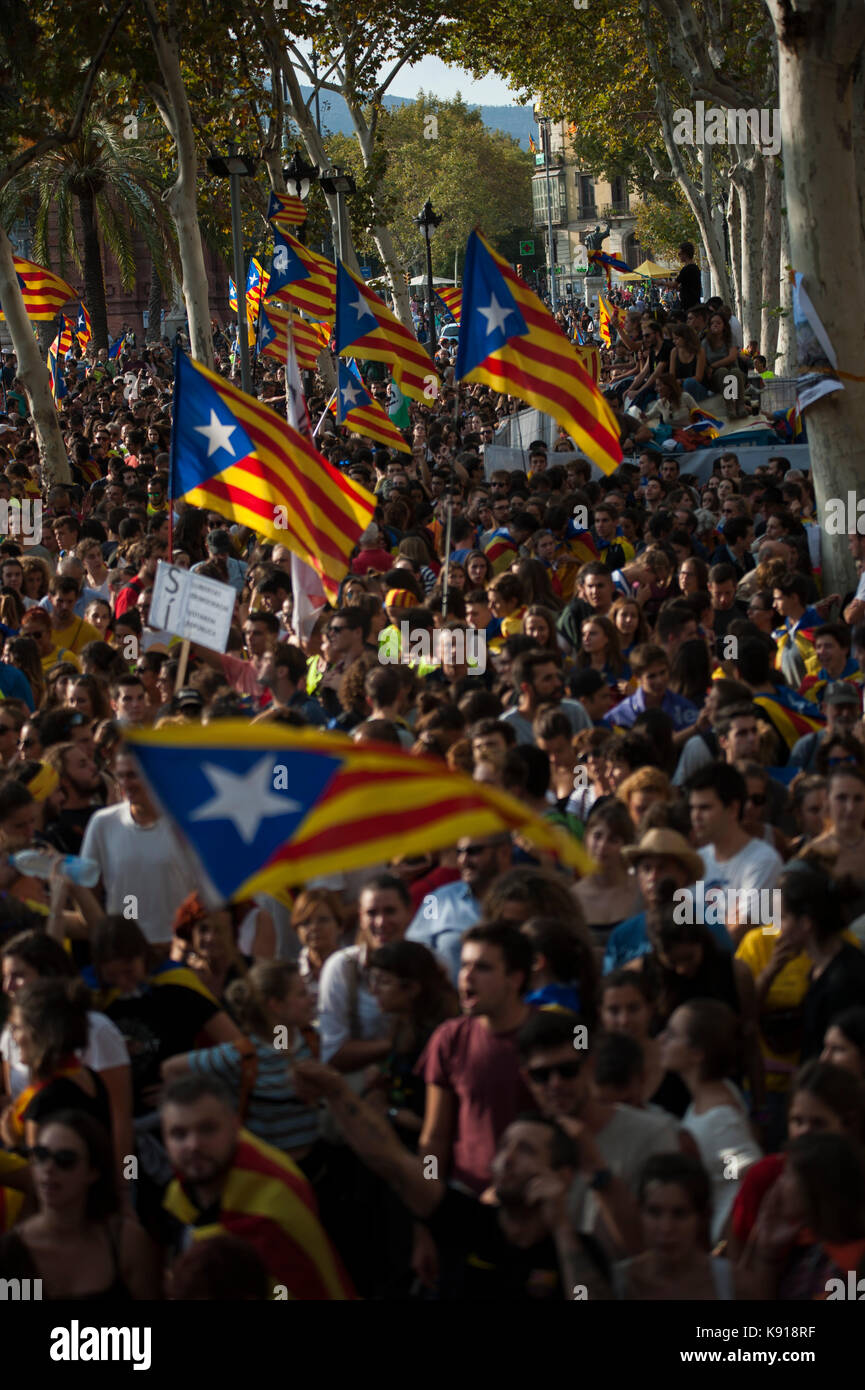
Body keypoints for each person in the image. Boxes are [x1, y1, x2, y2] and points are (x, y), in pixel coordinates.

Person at [159, 1074, 355, 1299]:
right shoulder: (181, 1188)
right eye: (179, 1134)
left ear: (235, 1126)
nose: (193, 1145)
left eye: (207, 1129)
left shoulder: (273, 1204)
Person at [417, 922, 538, 1197]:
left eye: (482, 967)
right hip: (468, 1196)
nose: (467, 977)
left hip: (534, 1197)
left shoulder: (551, 1033)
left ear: (515, 979)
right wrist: (425, 1204)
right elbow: (434, 1138)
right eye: (464, 965)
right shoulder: (448, 1038)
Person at [161, 961, 321, 1160]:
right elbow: (171, 1069)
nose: (311, 999)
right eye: (301, 994)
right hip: (267, 1175)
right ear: (276, 1006)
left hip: (318, 1167)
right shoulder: (241, 1056)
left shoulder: (314, 1043)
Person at [0, 1111, 160, 1299]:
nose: (49, 1168)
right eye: (41, 1155)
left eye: (65, 1160)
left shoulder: (127, 1243)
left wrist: (126, 1188)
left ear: (93, 1171)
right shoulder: (11, 1252)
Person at [659, 998, 762, 1243]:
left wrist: (728, 1240)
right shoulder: (714, 1094)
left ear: (696, 1053)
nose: (662, 1039)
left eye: (672, 1035)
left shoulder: (719, 1119)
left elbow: (749, 1172)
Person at [81, 750, 202, 947]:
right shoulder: (102, 823)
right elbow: (89, 888)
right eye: (121, 776)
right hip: (124, 949)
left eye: (133, 775)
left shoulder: (188, 823)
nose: (126, 783)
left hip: (178, 947)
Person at [613, 1153, 743, 1299]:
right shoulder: (617, 1284)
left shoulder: (735, 1285)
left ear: (703, 1217)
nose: (666, 1228)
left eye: (680, 1214)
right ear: (639, 1212)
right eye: (654, 1213)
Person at [318, 874, 413, 1073]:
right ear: (360, 918)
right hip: (358, 1094)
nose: (380, 922)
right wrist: (392, 1045)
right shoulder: (342, 967)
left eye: (390, 911)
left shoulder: (430, 962)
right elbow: (331, 1053)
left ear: (409, 912)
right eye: (371, 913)